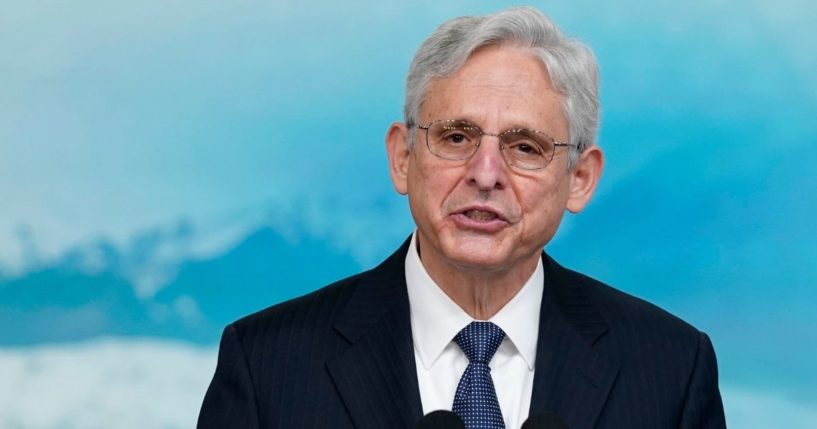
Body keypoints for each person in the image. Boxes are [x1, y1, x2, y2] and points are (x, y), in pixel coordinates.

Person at [198, 6, 726, 429]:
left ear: (580, 178)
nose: (486, 173)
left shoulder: (671, 370)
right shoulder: (267, 365)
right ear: (403, 157)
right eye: (456, 137)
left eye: (525, 146)